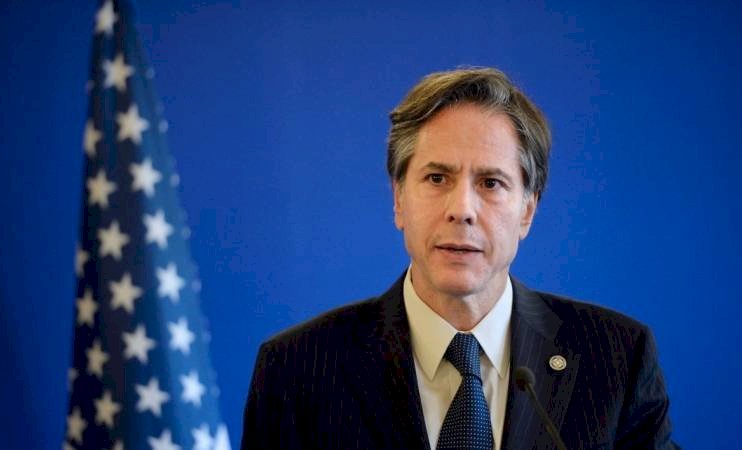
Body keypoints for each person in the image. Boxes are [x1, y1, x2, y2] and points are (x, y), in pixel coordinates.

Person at [241, 68, 677, 449]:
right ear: (398, 199)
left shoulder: (616, 359)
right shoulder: (299, 369)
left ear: (527, 211)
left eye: (490, 183)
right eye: (437, 178)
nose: (462, 209)